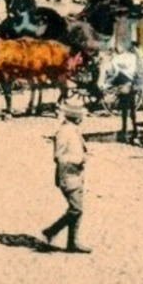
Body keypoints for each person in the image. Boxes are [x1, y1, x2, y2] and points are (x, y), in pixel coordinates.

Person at [41, 101, 90, 253]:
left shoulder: (73, 130)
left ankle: (72, 243)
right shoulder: (64, 132)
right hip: (68, 174)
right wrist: (78, 160)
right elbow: (59, 156)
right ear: (76, 118)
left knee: (76, 208)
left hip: (77, 174)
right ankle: (51, 231)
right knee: (76, 209)